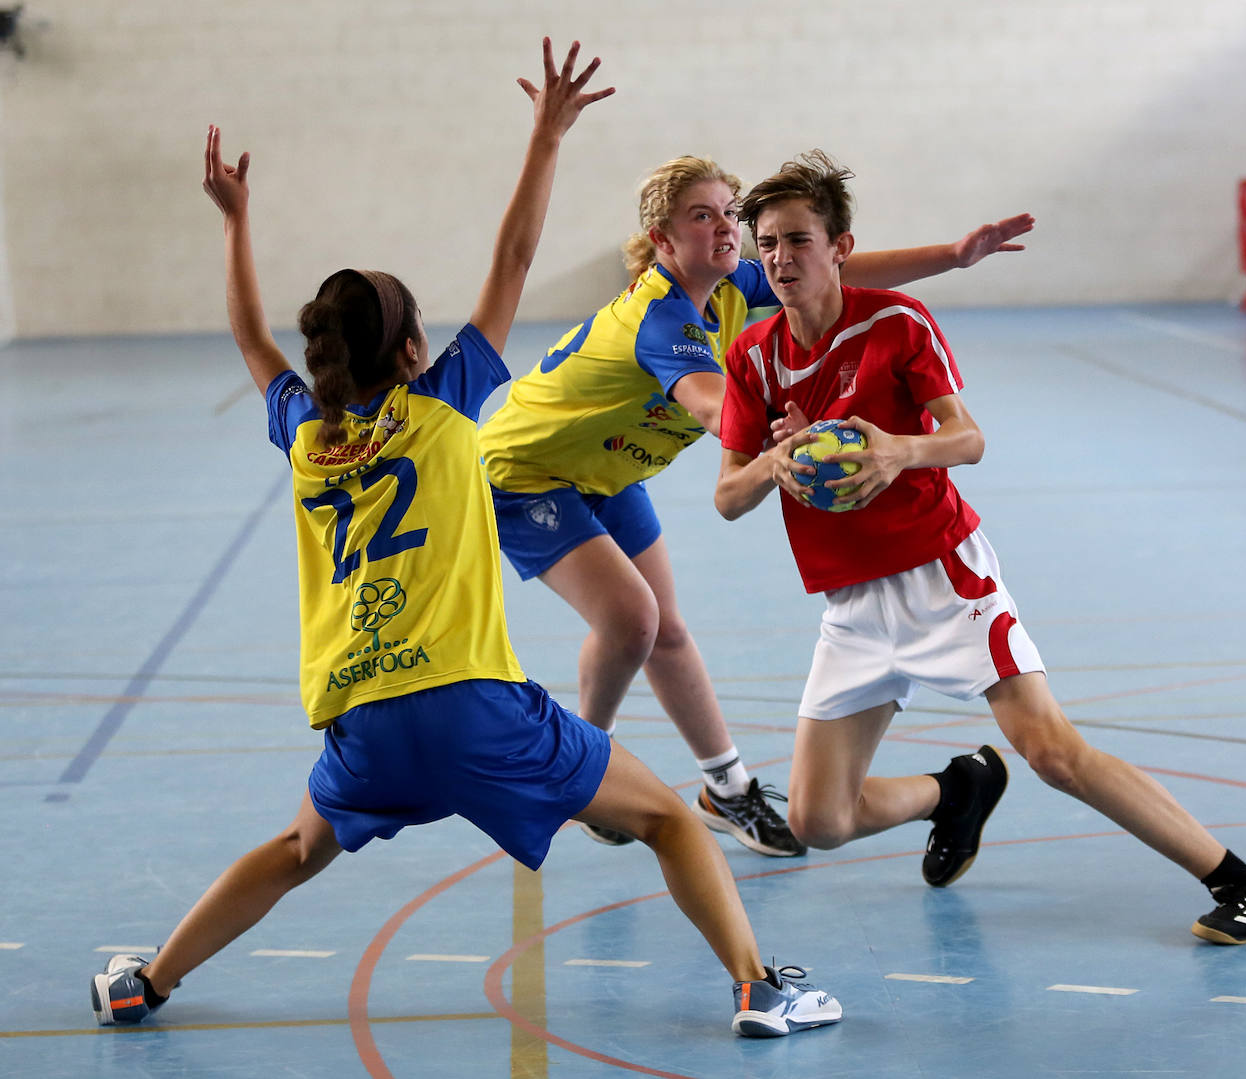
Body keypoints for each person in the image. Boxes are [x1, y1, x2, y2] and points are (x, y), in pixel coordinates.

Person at [88, 43, 842, 1041]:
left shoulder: (306, 434)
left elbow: (249, 342)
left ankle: (148, 978)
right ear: (412, 351)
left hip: (361, 721)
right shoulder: (446, 404)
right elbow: (515, 259)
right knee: (664, 816)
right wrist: (546, 134)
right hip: (469, 705)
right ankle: (758, 986)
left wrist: (236, 224)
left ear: (322, 359)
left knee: (295, 845)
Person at [713, 150, 1246, 945]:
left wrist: (896, 449)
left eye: (799, 239)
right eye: (768, 243)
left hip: (941, 575)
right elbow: (727, 495)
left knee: (1053, 752)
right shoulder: (752, 356)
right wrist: (774, 464)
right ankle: (956, 790)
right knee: (818, 818)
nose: (781, 258)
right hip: (850, 603)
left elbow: (968, 438)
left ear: (840, 245)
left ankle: (1245, 879)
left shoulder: (895, 323)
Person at [478, 152, 1035, 856]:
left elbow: (840, 269)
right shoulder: (663, 317)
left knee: (664, 631)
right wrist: (791, 431)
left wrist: (952, 257)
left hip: (607, 472)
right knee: (632, 619)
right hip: (527, 472)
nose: (725, 229)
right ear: (663, 239)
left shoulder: (734, 284)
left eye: (728, 214)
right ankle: (588, 774)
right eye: (700, 216)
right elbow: (721, 411)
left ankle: (727, 788)